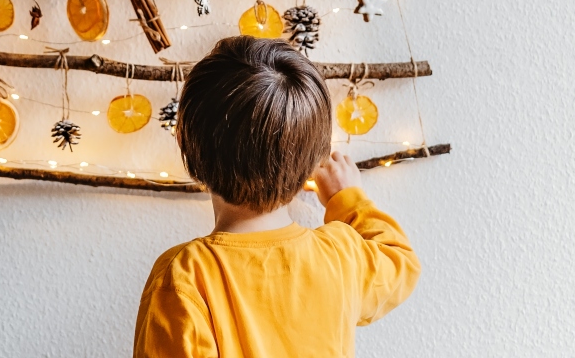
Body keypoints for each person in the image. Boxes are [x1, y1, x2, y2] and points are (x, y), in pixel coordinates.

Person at [133, 36, 421, 357]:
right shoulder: (340, 255)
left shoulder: (183, 276)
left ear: (183, 142)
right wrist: (346, 197)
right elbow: (401, 261)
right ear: (315, 164)